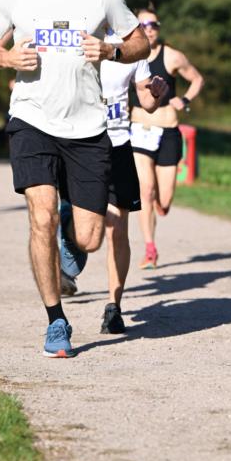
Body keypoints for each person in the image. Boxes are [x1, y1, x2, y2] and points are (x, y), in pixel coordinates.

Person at [0, 0, 149, 358]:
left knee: (90, 238)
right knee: (39, 214)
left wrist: (111, 49)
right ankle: (55, 321)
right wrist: (7, 60)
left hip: (88, 126)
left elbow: (140, 41)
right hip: (32, 120)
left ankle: (72, 233)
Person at [94, 33, 168, 332]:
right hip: (76, 142)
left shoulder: (131, 47)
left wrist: (157, 92)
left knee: (117, 227)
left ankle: (114, 306)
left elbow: (147, 101)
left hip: (118, 142)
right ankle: (68, 238)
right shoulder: (72, 35)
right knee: (85, 230)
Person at [129, 8, 204, 268]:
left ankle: (161, 205)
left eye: (153, 24)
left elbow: (196, 79)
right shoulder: (128, 54)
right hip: (138, 129)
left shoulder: (172, 56)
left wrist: (184, 100)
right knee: (145, 191)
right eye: (143, 24)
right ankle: (150, 248)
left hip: (168, 131)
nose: (149, 29)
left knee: (165, 199)